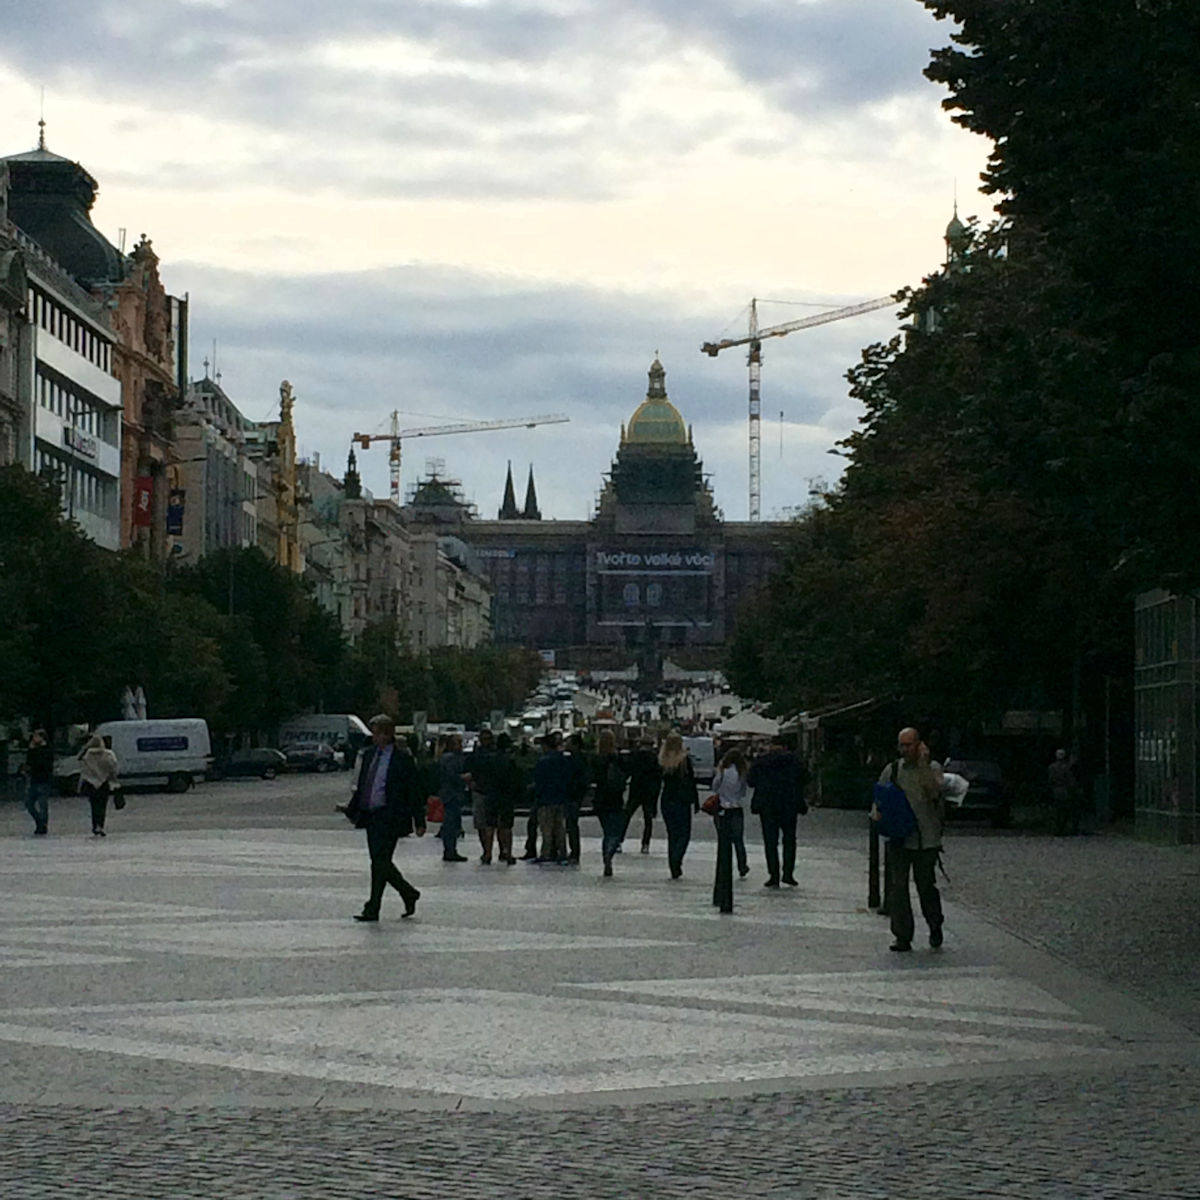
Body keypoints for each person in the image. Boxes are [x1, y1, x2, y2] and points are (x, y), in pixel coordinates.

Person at [341, 713, 426, 921]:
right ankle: (406, 893)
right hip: (371, 814)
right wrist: (352, 808)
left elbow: (414, 791)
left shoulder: (402, 759)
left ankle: (374, 907)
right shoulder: (369, 754)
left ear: (388, 735)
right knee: (379, 862)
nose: (374, 737)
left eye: (377, 733)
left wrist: (419, 820)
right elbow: (363, 785)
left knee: (380, 861)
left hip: (391, 815)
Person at [872, 727, 946, 952]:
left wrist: (923, 764)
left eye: (909, 745)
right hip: (899, 838)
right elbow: (880, 797)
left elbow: (934, 792)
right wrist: (877, 813)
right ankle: (902, 935)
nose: (905, 749)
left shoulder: (932, 768)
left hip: (926, 839)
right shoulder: (893, 769)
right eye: (901, 745)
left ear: (919, 744)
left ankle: (935, 924)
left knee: (926, 886)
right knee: (898, 888)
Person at [747, 736, 810, 888]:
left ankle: (773, 875)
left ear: (771, 745)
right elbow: (806, 778)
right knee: (789, 839)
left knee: (770, 841)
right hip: (789, 805)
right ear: (786, 747)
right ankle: (788, 874)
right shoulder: (794, 761)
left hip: (767, 805)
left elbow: (751, 781)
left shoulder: (762, 761)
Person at [711, 746, 751, 912]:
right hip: (736, 809)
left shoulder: (723, 771)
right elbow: (743, 792)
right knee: (738, 839)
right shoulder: (741, 773)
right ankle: (742, 865)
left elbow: (715, 787)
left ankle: (721, 888)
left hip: (722, 809)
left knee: (724, 842)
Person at [658, 732, 697, 879]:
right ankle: (676, 860)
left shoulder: (663, 760)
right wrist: (695, 801)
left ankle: (673, 864)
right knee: (684, 834)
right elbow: (691, 781)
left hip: (667, 800)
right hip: (682, 800)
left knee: (672, 835)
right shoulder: (684, 760)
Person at [466, 728, 507, 864]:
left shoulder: (477, 755)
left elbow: (470, 771)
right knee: (496, 824)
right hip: (492, 791)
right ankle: (501, 851)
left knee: (486, 825)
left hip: (483, 791)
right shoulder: (497, 755)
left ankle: (488, 852)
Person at [592, 729, 628, 877]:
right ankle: (610, 853)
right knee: (615, 831)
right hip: (615, 798)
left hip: (601, 799)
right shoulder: (616, 757)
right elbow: (624, 775)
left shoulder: (596, 759)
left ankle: (606, 858)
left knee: (607, 831)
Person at [532, 731, 572, 864]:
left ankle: (546, 853)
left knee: (546, 829)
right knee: (560, 827)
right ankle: (562, 852)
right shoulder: (563, 759)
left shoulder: (543, 761)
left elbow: (538, 781)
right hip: (560, 797)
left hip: (545, 799)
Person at [620, 738, 662, 854]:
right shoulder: (654, 758)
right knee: (648, 820)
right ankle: (645, 844)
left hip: (636, 789)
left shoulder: (635, 755)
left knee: (627, 815)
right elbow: (658, 778)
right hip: (649, 791)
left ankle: (619, 840)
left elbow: (627, 770)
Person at [436, 733, 469, 863]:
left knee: (452, 822)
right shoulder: (451, 758)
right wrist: (462, 777)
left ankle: (450, 849)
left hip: (450, 793)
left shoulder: (448, 757)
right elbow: (451, 775)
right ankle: (450, 850)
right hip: (452, 794)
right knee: (451, 822)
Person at [78, 734, 119, 837]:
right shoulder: (109, 754)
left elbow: (83, 770)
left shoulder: (87, 756)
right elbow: (114, 768)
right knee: (102, 806)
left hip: (91, 784)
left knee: (94, 806)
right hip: (104, 783)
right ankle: (100, 826)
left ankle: (95, 825)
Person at [491, 732, 522, 864]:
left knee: (495, 824)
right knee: (506, 825)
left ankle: (498, 850)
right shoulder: (509, 760)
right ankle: (507, 851)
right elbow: (515, 777)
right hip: (506, 795)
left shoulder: (492, 759)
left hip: (493, 794)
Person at [563, 732, 590, 863]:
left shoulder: (576, 760)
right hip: (575, 795)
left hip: (572, 796)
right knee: (571, 824)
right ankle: (574, 852)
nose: (565, 744)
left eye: (568, 742)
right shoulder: (579, 758)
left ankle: (574, 852)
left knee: (571, 824)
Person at [23, 727, 54, 836]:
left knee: (42, 804)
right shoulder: (33, 750)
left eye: (36, 737)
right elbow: (29, 763)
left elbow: (42, 764)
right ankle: (39, 822)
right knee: (28, 803)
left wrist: (33, 751)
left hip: (43, 780)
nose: (34, 739)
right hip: (34, 780)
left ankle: (43, 825)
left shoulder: (47, 750)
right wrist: (31, 750)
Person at [1047, 749, 1084, 836]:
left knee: (1058, 811)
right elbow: (1071, 781)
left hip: (1056, 791)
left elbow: (1050, 780)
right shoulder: (1066, 767)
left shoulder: (1051, 767)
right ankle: (1068, 828)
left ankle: (1058, 829)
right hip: (1065, 791)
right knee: (1067, 810)